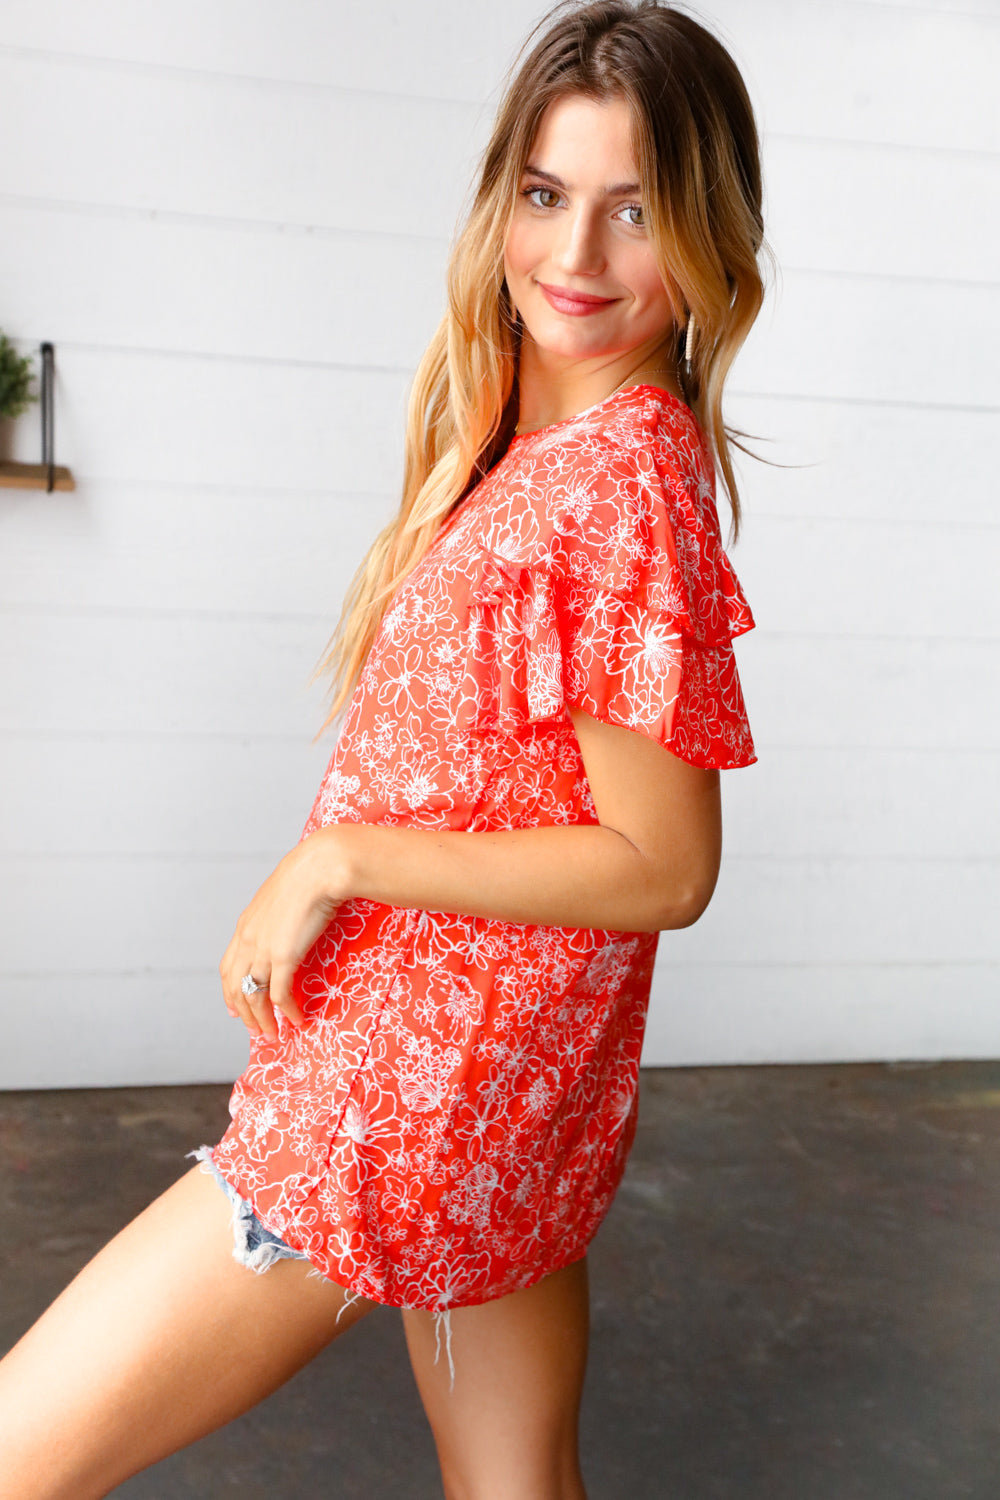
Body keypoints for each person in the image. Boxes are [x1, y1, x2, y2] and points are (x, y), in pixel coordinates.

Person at [0, 2, 771, 1495]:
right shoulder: (542, 449)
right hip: (496, 1082)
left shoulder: (618, 482)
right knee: (515, 1482)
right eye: (546, 194)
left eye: (635, 211)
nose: (577, 254)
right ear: (501, 200)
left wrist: (339, 859)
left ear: (708, 238)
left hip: (401, 1099)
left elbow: (665, 866)